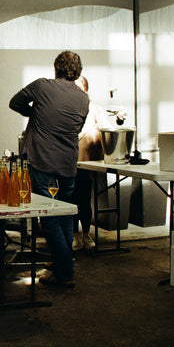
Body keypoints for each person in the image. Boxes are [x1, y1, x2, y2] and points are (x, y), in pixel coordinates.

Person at [9, 51, 89, 287]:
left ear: (55, 68)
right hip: (67, 161)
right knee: (64, 211)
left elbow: (15, 102)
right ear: (78, 72)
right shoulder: (83, 98)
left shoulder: (42, 86)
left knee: (47, 214)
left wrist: (35, 113)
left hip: (42, 158)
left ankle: (65, 271)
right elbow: (78, 127)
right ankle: (62, 261)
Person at [72, 76, 105, 251]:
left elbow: (105, 130)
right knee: (71, 200)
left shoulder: (93, 109)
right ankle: (74, 236)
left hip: (85, 162)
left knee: (84, 200)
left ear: (85, 90)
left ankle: (85, 234)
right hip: (69, 162)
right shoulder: (67, 107)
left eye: (78, 87)